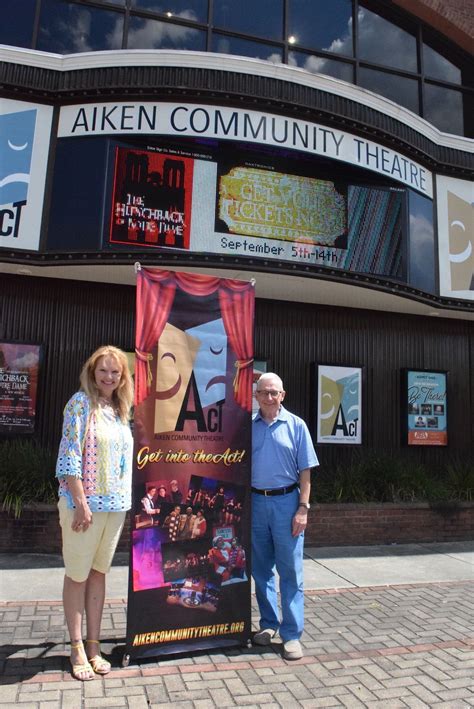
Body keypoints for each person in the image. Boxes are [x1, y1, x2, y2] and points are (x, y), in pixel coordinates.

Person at [55, 346, 133, 681]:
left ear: (122, 377)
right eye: (103, 370)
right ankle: (75, 648)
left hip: (115, 507)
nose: (109, 377)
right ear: (92, 371)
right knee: (78, 575)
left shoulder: (119, 409)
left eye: (115, 372)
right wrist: (81, 502)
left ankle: (93, 645)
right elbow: (69, 454)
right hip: (82, 507)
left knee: (99, 573)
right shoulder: (80, 403)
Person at [252, 372, 318, 661]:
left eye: (274, 392)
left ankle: (292, 635)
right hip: (255, 502)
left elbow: (306, 472)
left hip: (287, 503)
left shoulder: (297, 426)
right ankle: (268, 625)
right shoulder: (248, 428)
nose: (269, 397)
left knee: (290, 571)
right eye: (264, 392)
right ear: (256, 396)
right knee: (261, 569)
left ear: (283, 395)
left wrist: (303, 508)